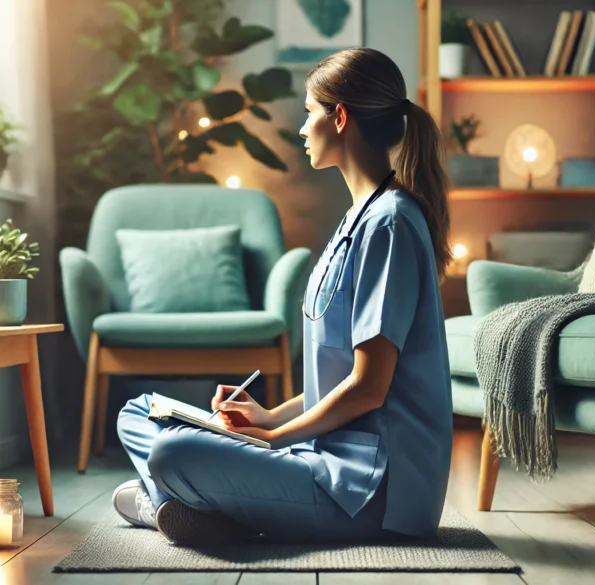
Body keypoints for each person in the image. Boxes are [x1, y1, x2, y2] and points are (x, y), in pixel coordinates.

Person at [112, 47, 454, 545]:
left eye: (310, 112)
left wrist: (272, 438)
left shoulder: (392, 224)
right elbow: (339, 379)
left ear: (340, 118)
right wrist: (269, 416)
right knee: (139, 411)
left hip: (369, 490)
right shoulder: (359, 218)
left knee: (171, 455)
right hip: (316, 456)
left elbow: (368, 388)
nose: (302, 128)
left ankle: (166, 504)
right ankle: (186, 506)